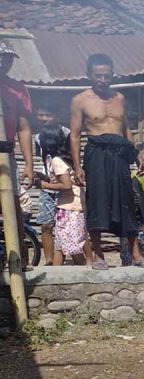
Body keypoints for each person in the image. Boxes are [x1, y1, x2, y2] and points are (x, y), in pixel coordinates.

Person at [69, 53, 144, 270]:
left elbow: (126, 130)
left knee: (127, 201)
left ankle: (135, 254)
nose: (103, 80)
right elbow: (75, 135)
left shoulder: (119, 98)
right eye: (98, 76)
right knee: (96, 202)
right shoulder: (80, 100)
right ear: (89, 75)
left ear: (112, 74)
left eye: (107, 75)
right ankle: (98, 254)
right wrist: (77, 167)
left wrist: (137, 154)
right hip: (96, 154)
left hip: (120, 155)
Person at [0, 40, 35, 269]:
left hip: (6, 152)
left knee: (12, 205)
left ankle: (20, 256)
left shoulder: (18, 89)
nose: (4, 62)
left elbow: (23, 127)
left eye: (8, 58)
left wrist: (29, 164)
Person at [34, 125, 91, 266]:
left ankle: (87, 262)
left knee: (75, 237)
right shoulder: (64, 159)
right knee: (64, 238)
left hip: (71, 205)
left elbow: (66, 185)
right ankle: (61, 268)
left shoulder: (56, 161)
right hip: (68, 204)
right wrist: (46, 179)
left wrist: (44, 185)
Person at [32, 102, 69, 265]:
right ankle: (49, 260)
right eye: (41, 115)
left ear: (57, 117)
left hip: (65, 187)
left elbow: (73, 158)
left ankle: (62, 260)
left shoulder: (66, 133)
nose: (44, 118)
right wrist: (42, 176)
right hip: (47, 187)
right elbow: (43, 160)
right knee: (46, 225)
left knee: (66, 226)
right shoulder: (38, 138)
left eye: (48, 115)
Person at [119, 171, 144, 266]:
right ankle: (127, 265)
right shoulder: (118, 179)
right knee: (125, 244)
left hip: (139, 219)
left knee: (142, 243)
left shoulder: (139, 177)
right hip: (125, 221)